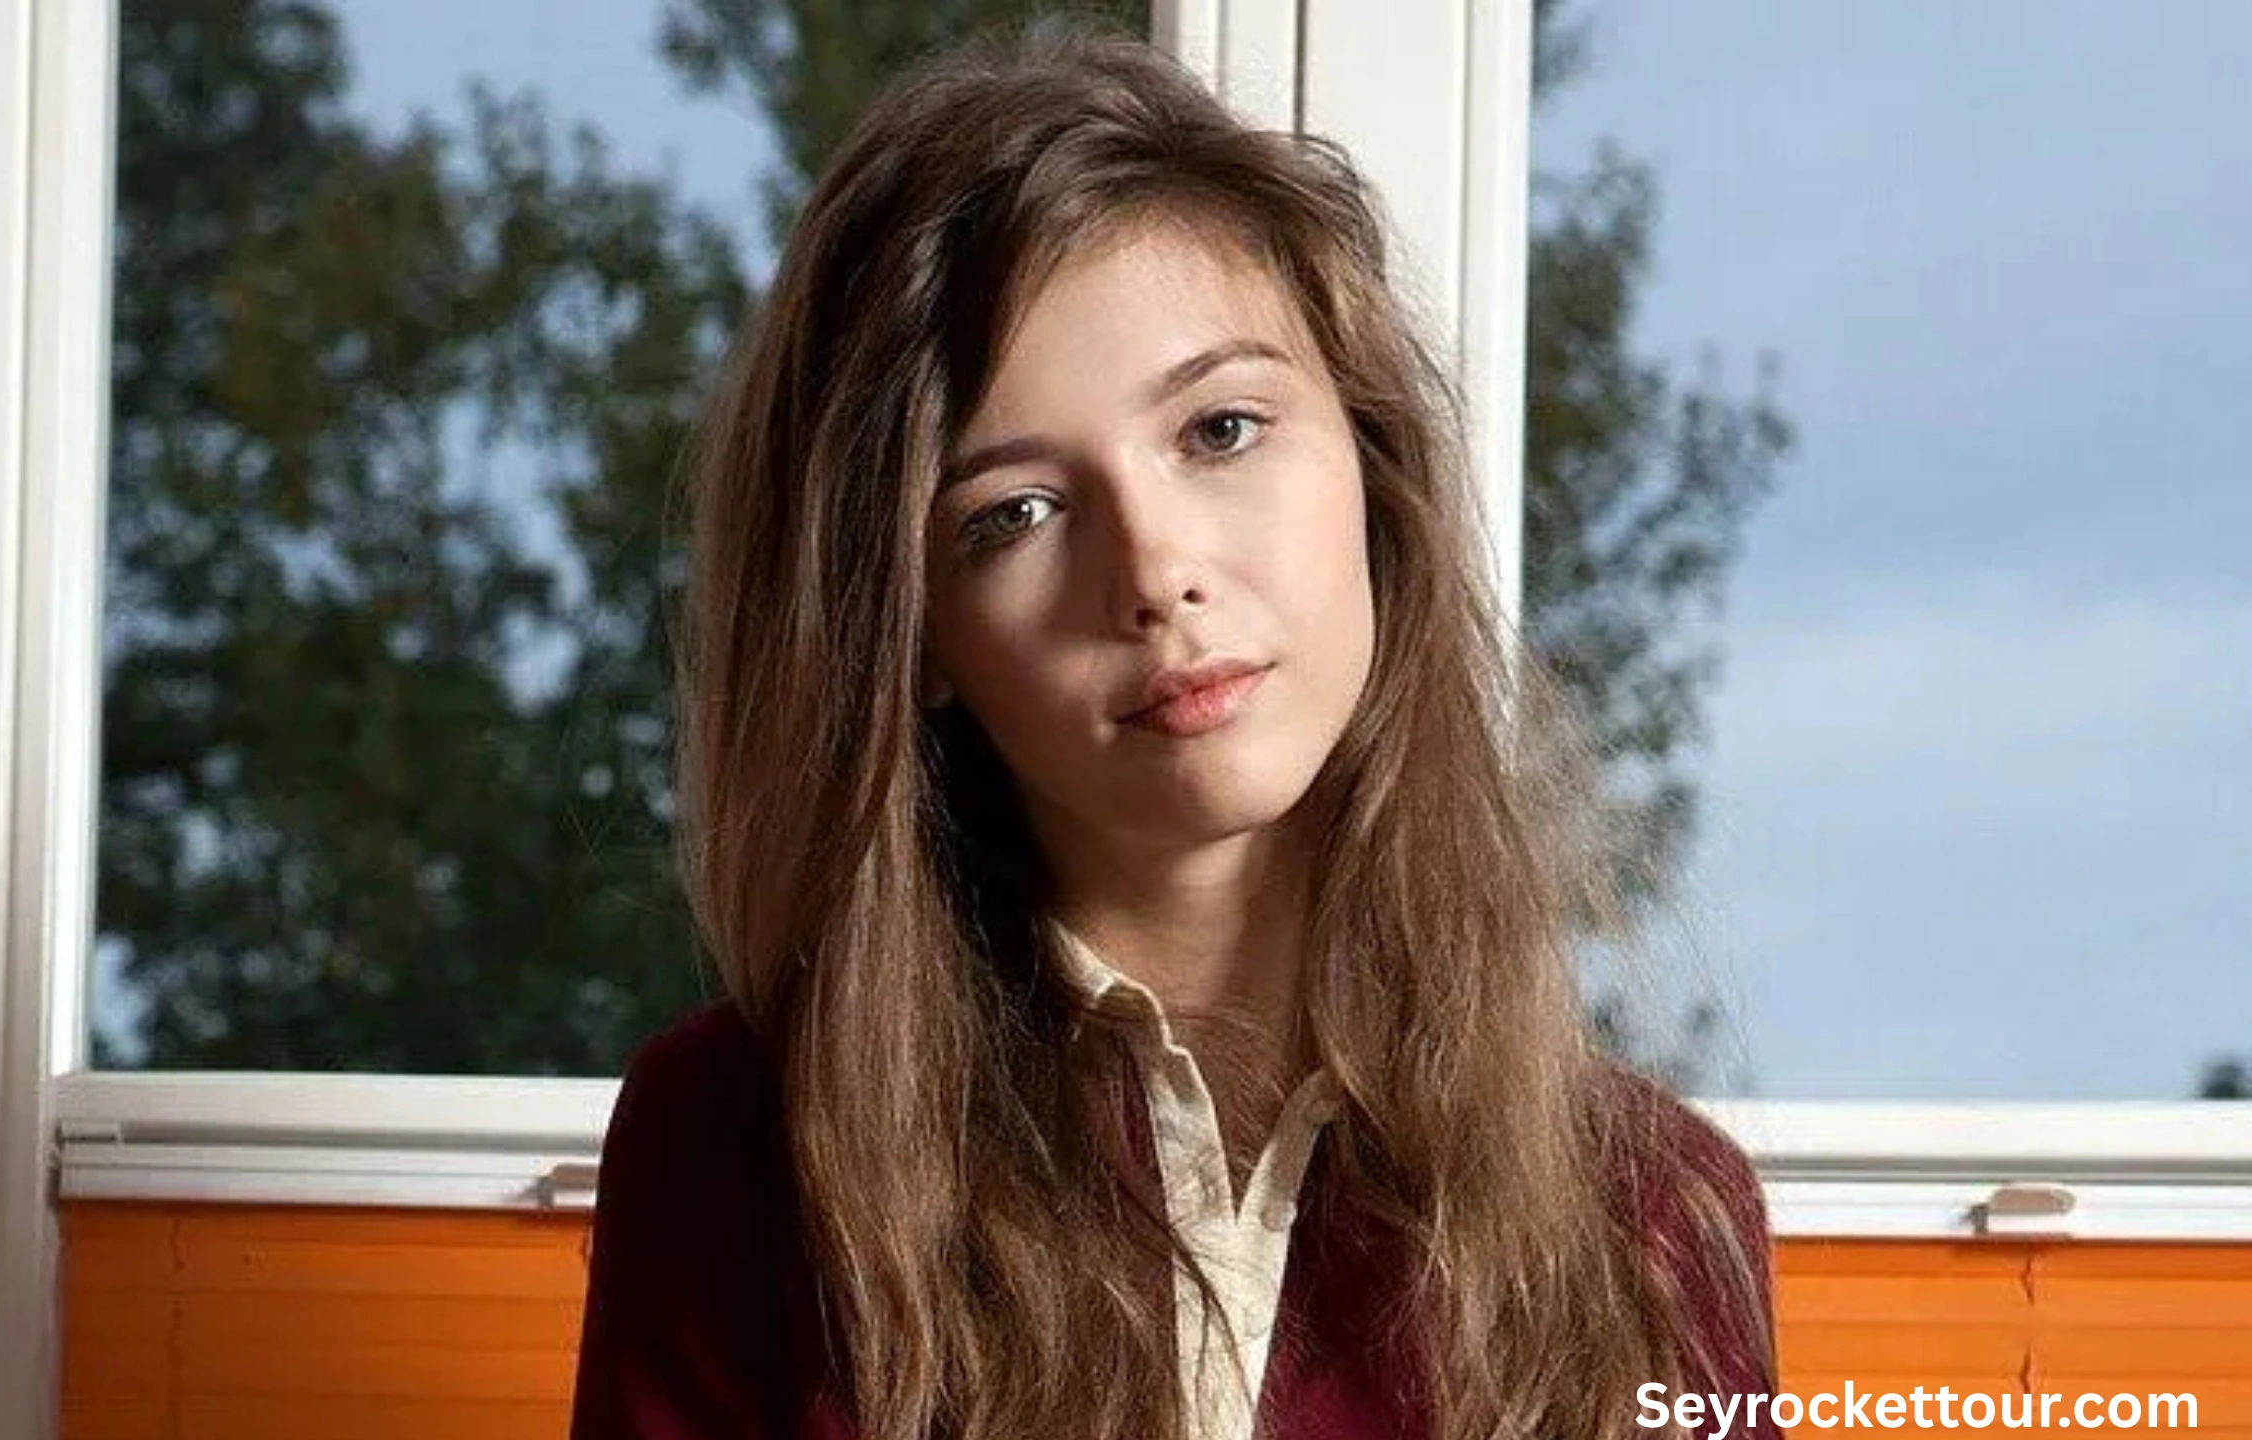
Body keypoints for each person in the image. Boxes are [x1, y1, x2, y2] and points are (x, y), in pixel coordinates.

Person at [570, 23, 1778, 1440]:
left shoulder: (1658, 1216)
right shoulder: (733, 1144)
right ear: (915, 633)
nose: (1155, 574)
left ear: (1373, 466)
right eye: (1015, 513)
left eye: (1220, 430)